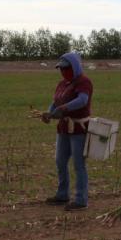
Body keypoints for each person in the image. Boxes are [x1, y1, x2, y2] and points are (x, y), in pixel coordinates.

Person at [42, 52, 93, 211]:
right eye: (61, 69)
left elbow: (82, 100)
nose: (63, 71)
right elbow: (55, 102)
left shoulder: (84, 82)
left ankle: (81, 200)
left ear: (75, 66)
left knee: (79, 165)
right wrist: (49, 113)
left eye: (66, 68)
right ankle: (62, 194)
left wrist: (64, 108)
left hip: (78, 129)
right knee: (60, 161)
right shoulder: (62, 84)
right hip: (63, 128)